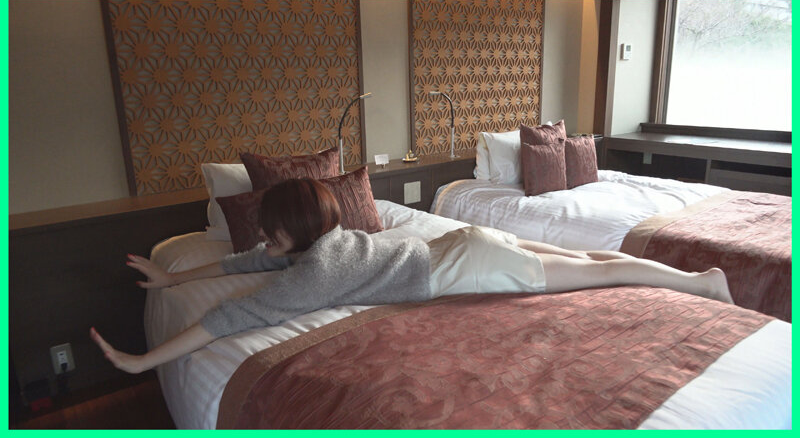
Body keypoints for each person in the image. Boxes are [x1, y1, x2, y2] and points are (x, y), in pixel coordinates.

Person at [91, 178, 733, 374]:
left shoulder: (314, 273)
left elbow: (228, 318)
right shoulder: (320, 244)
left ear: (295, 231)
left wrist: (143, 362)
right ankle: (701, 279)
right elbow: (246, 261)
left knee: (601, 273)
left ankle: (703, 284)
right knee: (596, 263)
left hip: (473, 264)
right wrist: (171, 278)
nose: (264, 239)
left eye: (271, 229)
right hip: (461, 246)